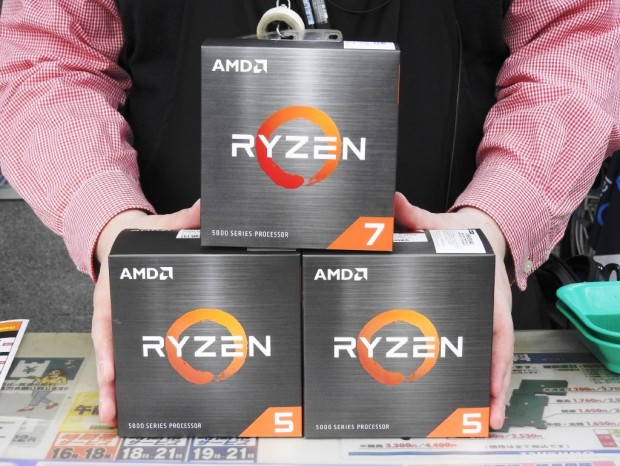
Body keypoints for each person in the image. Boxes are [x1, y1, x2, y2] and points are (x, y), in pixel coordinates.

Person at [1, 0, 619, 431]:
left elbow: (580, 37)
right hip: (183, 330)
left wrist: (497, 218)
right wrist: (114, 225)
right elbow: (43, 56)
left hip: (450, 321)